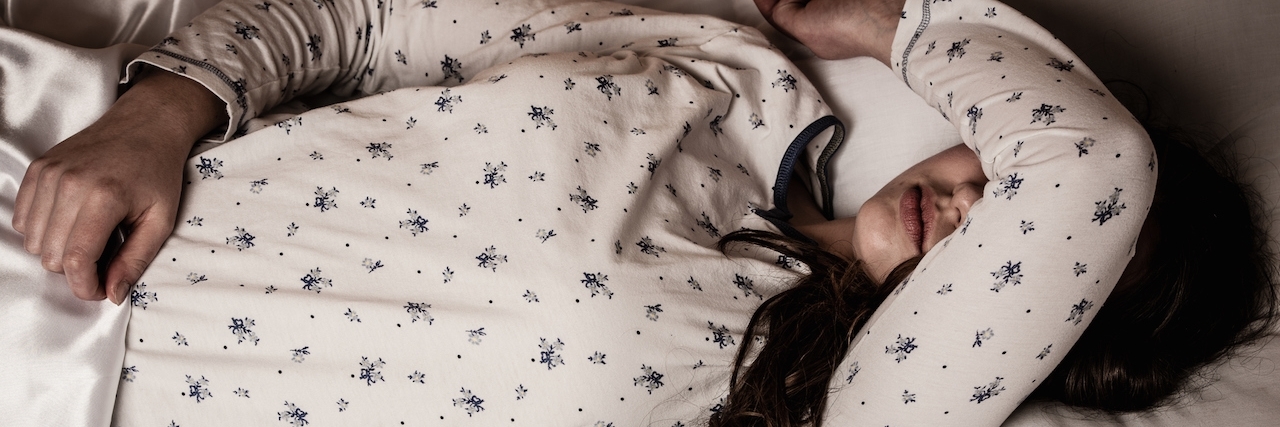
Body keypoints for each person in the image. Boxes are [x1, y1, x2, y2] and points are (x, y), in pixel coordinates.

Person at [10, 0, 1273, 425]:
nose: (974, 198)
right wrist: (162, 108)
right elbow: (355, 23)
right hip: (48, 135)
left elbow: (1088, 162)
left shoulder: (832, 408)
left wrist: (902, 27)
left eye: (1028, 244)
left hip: (52, 368)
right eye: (990, 157)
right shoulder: (727, 74)